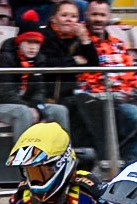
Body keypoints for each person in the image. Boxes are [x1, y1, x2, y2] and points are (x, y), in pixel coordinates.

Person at [74, 0, 137, 163]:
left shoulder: (117, 44)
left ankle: (128, 155)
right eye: (94, 14)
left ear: (109, 17)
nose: (98, 19)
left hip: (128, 99)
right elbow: (85, 78)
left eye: (102, 15)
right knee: (134, 114)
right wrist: (114, 94)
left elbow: (133, 74)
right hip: (99, 101)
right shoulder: (80, 42)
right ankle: (112, 156)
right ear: (86, 15)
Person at [0, 17, 72, 142]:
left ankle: (61, 154)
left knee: (59, 110)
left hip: (26, 104)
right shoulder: (5, 59)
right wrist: (30, 108)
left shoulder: (39, 60)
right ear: (19, 42)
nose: (33, 47)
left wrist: (36, 107)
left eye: (36, 43)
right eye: (29, 42)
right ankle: (23, 158)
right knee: (23, 112)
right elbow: (5, 93)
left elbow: (40, 90)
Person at [38, 2, 101, 150]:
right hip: (47, 95)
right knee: (78, 107)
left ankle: (95, 156)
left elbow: (94, 66)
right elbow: (48, 63)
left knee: (98, 106)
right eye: (64, 15)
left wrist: (86, 40)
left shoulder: (78, 39)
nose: (69, 20)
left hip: (72, 93)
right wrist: (74, 61)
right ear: (53, 18)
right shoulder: (43, 37)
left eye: (74, 16)